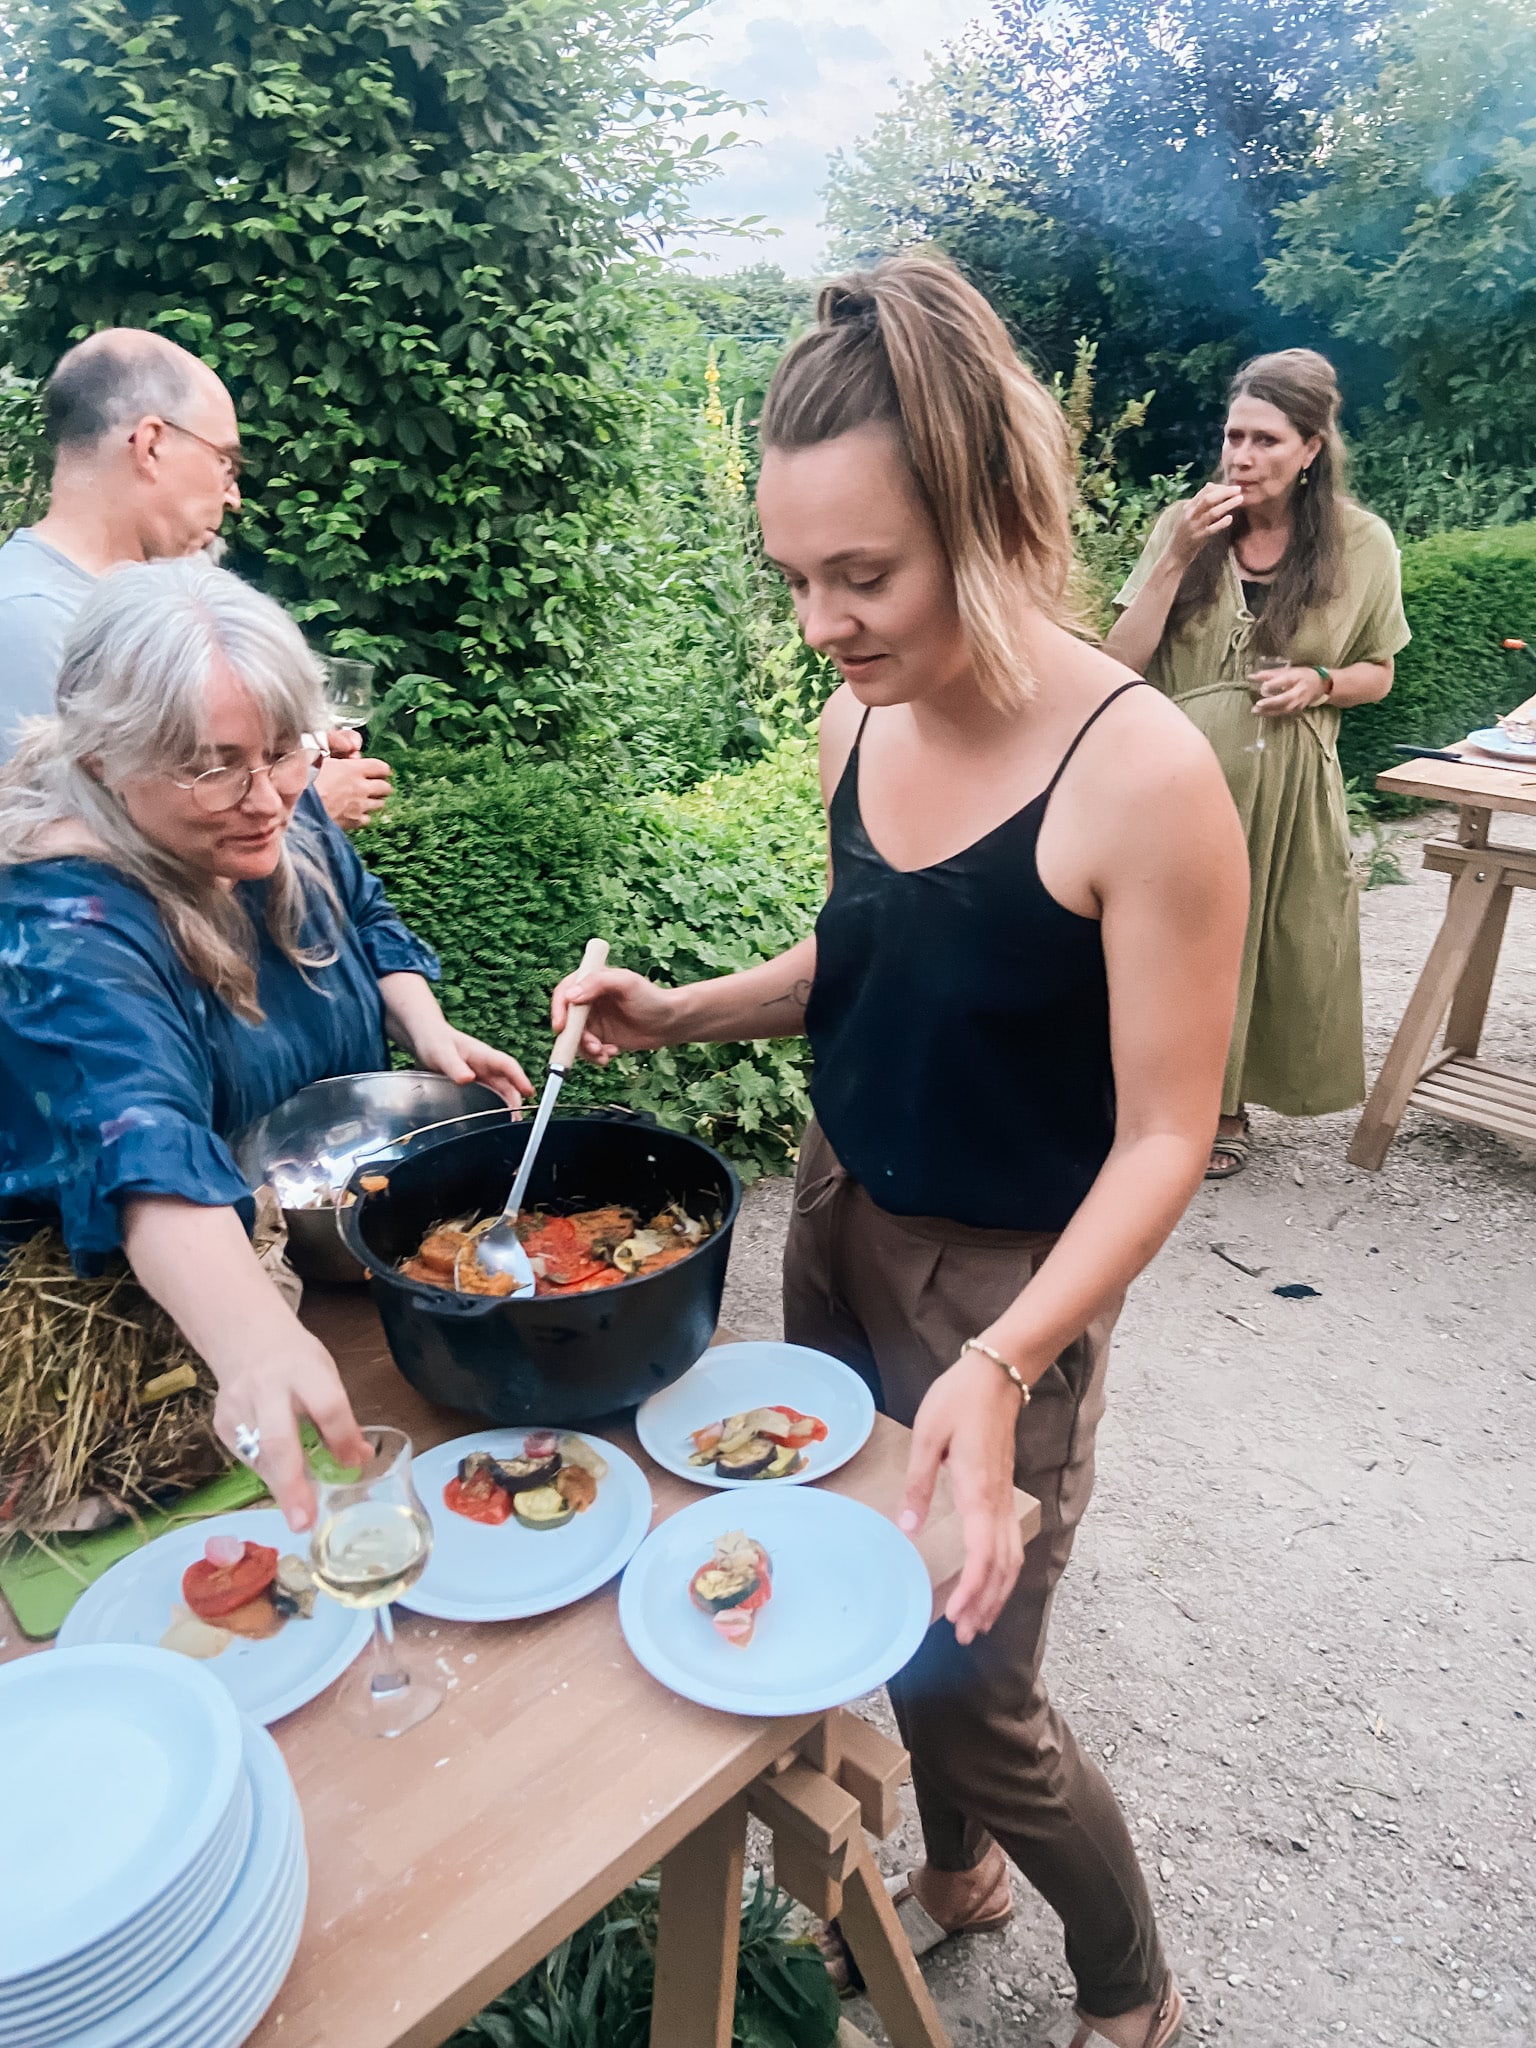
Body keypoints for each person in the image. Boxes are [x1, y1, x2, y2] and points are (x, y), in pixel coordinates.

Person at [551, 257, 1248, 2048]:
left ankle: (1134, 1989)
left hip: (1011, 1284)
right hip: (840, 1212)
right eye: (795, 578)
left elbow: (1168, 1134)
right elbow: (869, 958)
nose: (821, 624)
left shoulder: (1143, 777)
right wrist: (678, 1012)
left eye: (862, 575)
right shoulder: (854, 719)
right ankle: (960, 1878)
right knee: (874, 1609)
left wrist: (1009, 1363)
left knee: (974, 1698)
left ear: (992, 518)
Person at [0, 557, 531, 1528]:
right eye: (212, 766)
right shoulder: (63, 922)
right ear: (104, 760)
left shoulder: (278, 800)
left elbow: (364, 914)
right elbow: (139, 1135)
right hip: (152, 1332)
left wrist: (429, 1030)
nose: (269, 798)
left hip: (325, 1273)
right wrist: (250, 1336)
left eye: (284, 750)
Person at [1105, 349, 1410, 1178]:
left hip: (1289, 786)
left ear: (1310, 448)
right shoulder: (1184, 525)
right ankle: (1140, 1101)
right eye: (1233, 436)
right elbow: (1120, 663)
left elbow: (1380, 672)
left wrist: (1320, 681)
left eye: (1265, 440)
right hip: (1178, 781)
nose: (1241, 456)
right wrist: (1177, 556)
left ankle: (1224, 1107)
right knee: (1163, 939)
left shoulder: (1362, 543)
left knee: (1265, 941)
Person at [0, 327, 393, 831]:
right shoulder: (28, 620)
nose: (234, 497)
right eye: (226, 463)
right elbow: (50, 849)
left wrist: (289, 761)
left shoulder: (153, 607)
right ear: (151, 446)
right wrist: (307, 811)